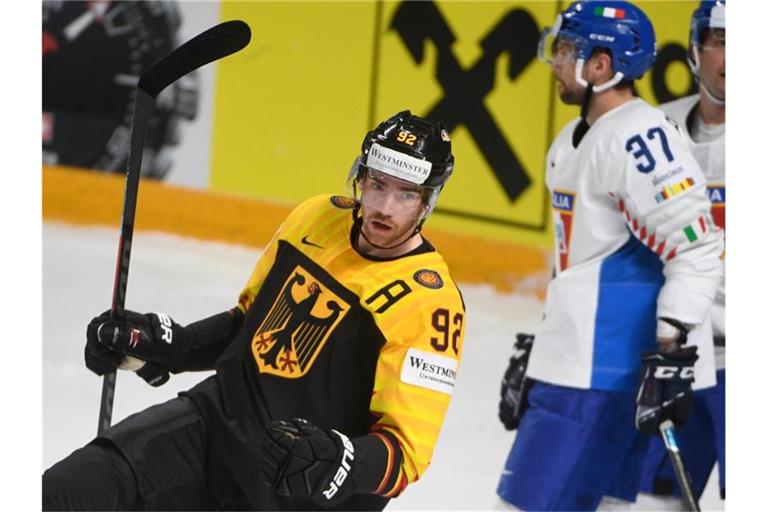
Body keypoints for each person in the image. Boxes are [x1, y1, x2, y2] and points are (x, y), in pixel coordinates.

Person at [43, 110, 466, 511]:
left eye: (405, 194)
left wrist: (339, 459)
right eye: (377, 184)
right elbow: (250, 324)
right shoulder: (318, 217)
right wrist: (173, 344)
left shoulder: (431, 303)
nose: (385, 208)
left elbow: (406, 453)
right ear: (361, 175)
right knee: (57, 495)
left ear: (427, 200)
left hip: (288, 495)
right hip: (209, 430)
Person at [495, 1, 724, 510]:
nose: (556, 62)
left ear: (601, 66)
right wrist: (544, 344)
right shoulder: (574, 137)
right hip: (582, 366)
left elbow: (698, 246)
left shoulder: (639, 137)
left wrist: (670, 353)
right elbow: (582, 262)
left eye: (568, 50)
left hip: (607, 378)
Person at [636, 1, 726, 505]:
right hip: (672, 362)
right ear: (695, 48)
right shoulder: (652, 132)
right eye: (721, 40)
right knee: (650, 501)